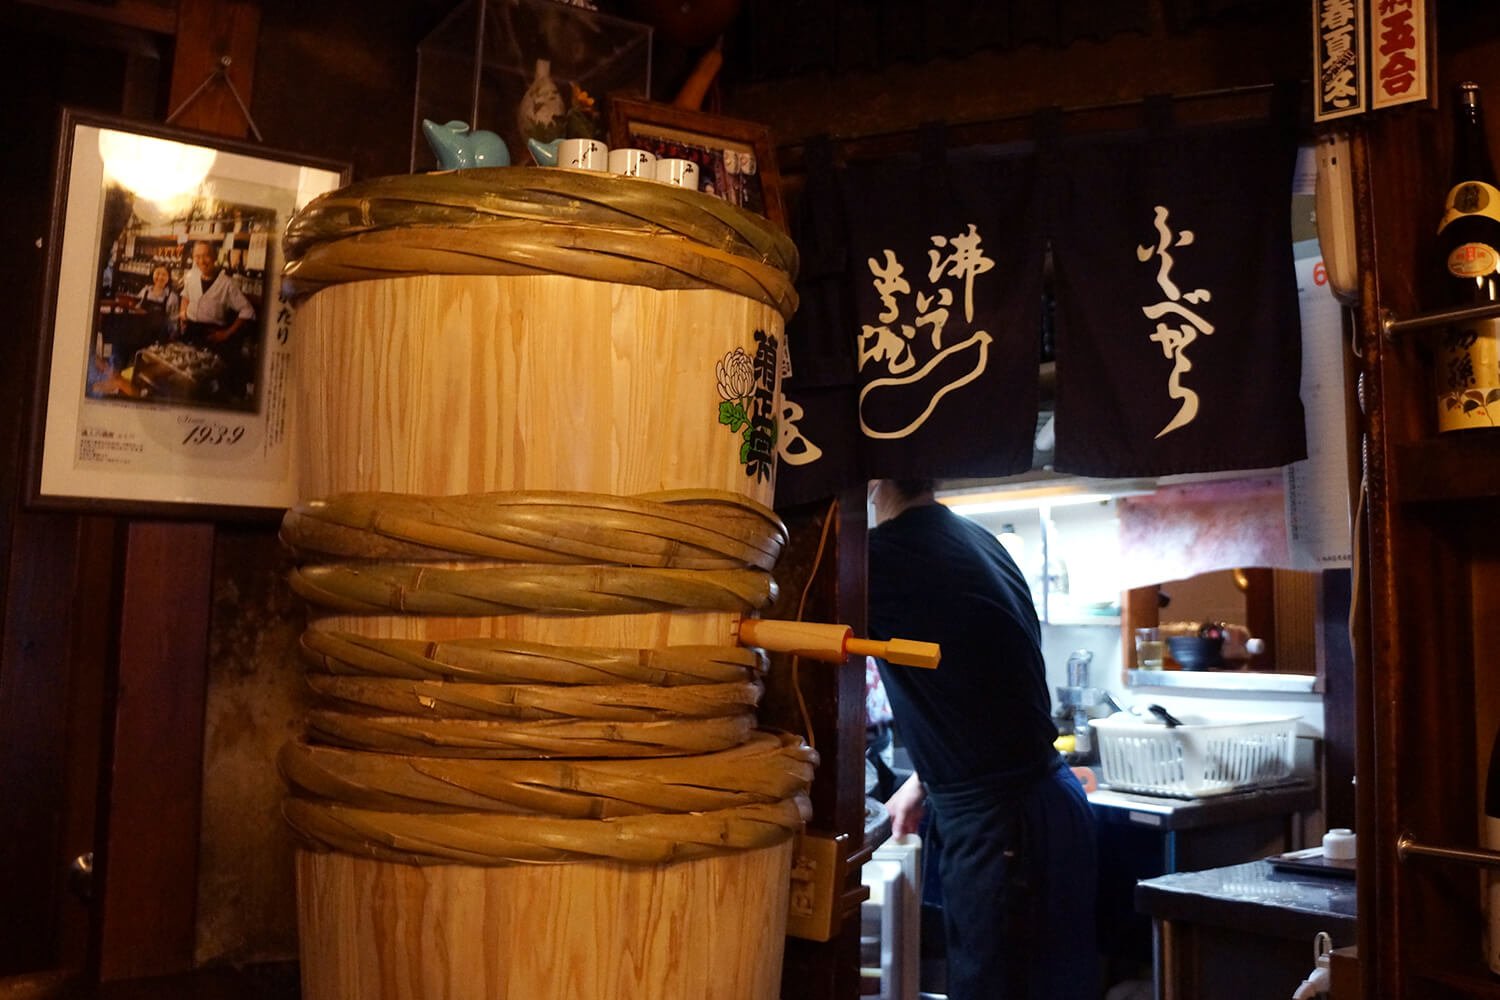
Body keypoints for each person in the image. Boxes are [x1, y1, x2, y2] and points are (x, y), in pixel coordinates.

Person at [868, 478, 1099, 1000]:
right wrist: (923, 781)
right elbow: (983, 681)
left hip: (1005, 827)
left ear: (872, 479)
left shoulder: (887, 557)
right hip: (1046, 809)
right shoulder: (975, 537)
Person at [179, 239, 257, 401]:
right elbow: (185, 295)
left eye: (206, 256)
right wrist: (182, 314)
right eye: (197, 256)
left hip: (211, 336)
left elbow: (248, 310)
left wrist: (226, 334)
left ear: (215, 257)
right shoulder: (191, 276)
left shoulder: (227, 284)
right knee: (183, 373)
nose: (201, 261)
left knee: (206, 381)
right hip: (190, 332)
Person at [134, 264, 180, 341]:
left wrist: (173, 335)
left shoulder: (172, 297)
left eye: (164, 274)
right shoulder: (145, 291)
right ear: (153, 274)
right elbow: (135, 309)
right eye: (157, 273)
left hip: (160, 336)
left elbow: (173, 320)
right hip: (141, 333)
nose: (160, 277)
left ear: (168, 277)